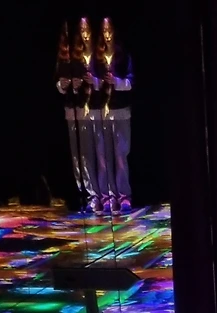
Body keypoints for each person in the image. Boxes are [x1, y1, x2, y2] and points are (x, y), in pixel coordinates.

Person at [97, 17, 134, 215]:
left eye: (109, 30)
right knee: (105, 157)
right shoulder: (98, 57)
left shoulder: (123, 56)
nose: (107, 34)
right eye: (104, 31)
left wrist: (116, 82)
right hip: (103, 113)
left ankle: (124, 196)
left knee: (120, 156)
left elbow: (130, 82)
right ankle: (109, 197)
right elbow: (93, 83)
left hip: (121, 112)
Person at [72, 16, 107, 215]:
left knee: (101, 154)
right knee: (85, 157)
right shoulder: (74, 56)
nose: (84, 34)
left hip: (98, 109)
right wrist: (72, 85)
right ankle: (92, 195)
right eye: (81, 30)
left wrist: (95, 82)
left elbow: (106, 80)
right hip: (80, 112)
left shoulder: (99, 54)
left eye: (87, 30)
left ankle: (105, 195)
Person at [57, 21, 85, 207]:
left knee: (86, 154)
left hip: (85, 109)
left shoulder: (82, 55)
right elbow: (57, 80)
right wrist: (62, 85)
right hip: (69, 110)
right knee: (75, 154)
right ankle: (79, 191)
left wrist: (79, 85)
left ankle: (92, 193)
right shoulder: (62, 58)